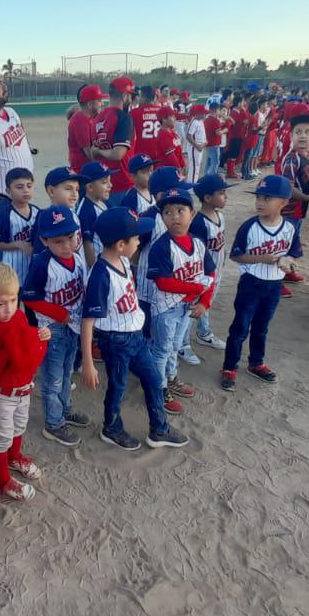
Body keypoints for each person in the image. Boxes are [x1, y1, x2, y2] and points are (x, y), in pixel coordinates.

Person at [80, 209, 191, 451]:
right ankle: (111, 428)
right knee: (118, 387)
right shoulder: (100, 275)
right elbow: (87, 321)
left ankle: (159, 430)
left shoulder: (122, 261)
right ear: (121, 244)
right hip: (115, 341)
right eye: (136, 238)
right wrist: (88, 362)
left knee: (153, 379)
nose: (139, 241)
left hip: (136, 336)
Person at [0, 263, 50, 501]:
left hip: (23, 389)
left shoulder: (18, 316)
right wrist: (8, 349)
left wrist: (39, 336)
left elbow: (27, 349)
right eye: (0, 303)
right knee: (1, 437)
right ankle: (3, 480)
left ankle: (15, 458)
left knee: (19, 427)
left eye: (14, 300)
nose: (9, 309)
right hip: (2, 393)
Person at [218, 175, 297, 390]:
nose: (260, 202)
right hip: (251, 283)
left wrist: (287, 261)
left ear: (283, 202)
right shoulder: (249, 227)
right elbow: (236, 255)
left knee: (261, 327)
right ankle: (230, 366)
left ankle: (256, 363)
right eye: (259, 197)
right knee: (240, 327)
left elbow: (294, 253)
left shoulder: (289, 228)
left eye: (267, 198)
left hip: (274, 286)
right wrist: (261, 258)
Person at [21, 206, 90, 447]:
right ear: (44, 240)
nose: (66, 245)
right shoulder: (42, 263)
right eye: (58, 241)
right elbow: (28, 296)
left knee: (67, 370)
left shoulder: (78, 257)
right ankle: (53, 422)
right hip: (53, 327)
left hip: (73, 324)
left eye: (70, 237)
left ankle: (64, 409)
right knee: (54, 378)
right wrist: (58, 312)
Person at [145, 187, 216, 406]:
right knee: (162, 350)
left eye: (180, 210)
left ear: (192, 213)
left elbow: (210, 273)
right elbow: (163, 282)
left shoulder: (197, 243)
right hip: (166, 308)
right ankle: (159, 389)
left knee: (175, 347)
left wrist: (205, 301)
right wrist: (197, 289)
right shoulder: (161, 246)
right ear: (162, 217)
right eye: (168, 212)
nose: (174, 216)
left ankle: (171, 378)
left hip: (187, 306)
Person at [189, 174, 235, 353]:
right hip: (203, 273)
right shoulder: (199, 223)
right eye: (222, 193)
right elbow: (197, 253)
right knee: (195, 306)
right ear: (208, 198)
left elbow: (220, 244)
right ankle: (184, 343)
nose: (226, 196)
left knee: (207, 303)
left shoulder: (220, 216)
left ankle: (203, 332)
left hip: (217, 270)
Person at [276, 106, 309, 290]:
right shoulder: (291, 158)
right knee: (283, 243)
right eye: (298, 132)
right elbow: (288, 186)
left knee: (293, 240)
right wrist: (306, 197)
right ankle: (276, 280)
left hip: (301, 208)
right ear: (291, 135)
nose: (303, 136)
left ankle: (288, 271)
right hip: (289, 209)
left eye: (307, 132)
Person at [0, 66, 35, 204]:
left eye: (3, 82)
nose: (5, 87)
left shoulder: (12, 112)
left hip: (22, 194)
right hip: (1, 198)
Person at [91, 76, 137, 199]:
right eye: (130, 96)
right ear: (124, 96)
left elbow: (93, 151)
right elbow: (118, 154)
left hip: (102, 184)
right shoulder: (123, 117)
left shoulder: (97, 118)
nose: (131, 99)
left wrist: (98, 151)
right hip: (123, 182)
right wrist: (100, 151)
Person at [0, 167, 38, 284]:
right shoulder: (4, 214)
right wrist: (18, 245)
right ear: (8, 191)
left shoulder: (38, 212)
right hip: (11, 267)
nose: (26, 190)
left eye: (29, 186)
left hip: (32, 267)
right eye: (19, 187)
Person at [77, 161, 115, 266]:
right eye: (104, 182)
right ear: (90, 187)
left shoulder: (105, 203)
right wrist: (95, 268)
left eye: (109, 181)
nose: (110, 185)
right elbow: (87, 244)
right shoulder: (86, 211)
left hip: (110, 259)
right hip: (99, 264)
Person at [67, 84, 105, 173]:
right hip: (83, 171)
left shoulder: (90, 117)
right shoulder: (80, 120)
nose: (102, 103)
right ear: (90, 104)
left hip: (88, 169)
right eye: (99, 101)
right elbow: (89, 153)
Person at [183, 103, 208, 183]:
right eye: (204, 113)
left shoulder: (200, 121)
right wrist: (197, 146)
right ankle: (191, 186)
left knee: (196, 167)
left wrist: (204, 143)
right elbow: (188, 136)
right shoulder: (194, 122)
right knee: (194, 168)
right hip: (194, 148)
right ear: (199, 113)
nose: (205, 114)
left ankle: (193, 184)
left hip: (200, 147)